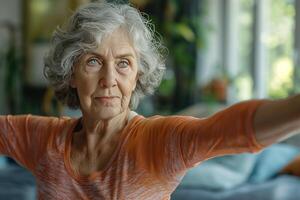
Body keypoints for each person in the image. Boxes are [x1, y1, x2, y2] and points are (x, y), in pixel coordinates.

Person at [0, 1, 299, 199]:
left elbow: (230, 130)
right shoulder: (43, 140)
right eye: (93, 61)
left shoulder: (155, 142)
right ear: (71, 74)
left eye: (124, 63)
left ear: (137, 76)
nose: (109, 79)